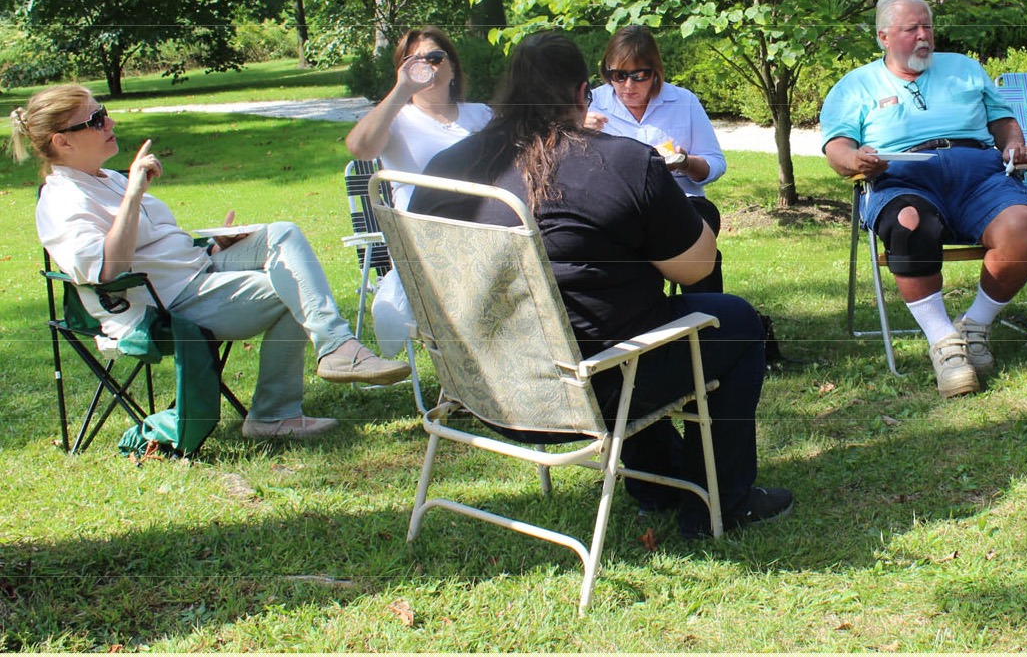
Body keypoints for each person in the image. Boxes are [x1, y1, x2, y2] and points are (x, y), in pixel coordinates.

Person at [410, 31, 793, 540]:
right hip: (585, 393)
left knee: (621, 322)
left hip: (482, 385)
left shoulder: (446, 169)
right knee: (736, 321)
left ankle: (659, 484)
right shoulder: (623, 162)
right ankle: (723, 503)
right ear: (582, 93)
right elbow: (696, 268)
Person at [14, 85, 412, 440]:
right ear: (62, 142)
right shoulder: (63, 200)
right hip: (161, 307)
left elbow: (156, 248)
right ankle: (279, 410)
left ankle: (334, 350)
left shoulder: (104, 179)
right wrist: (134, 192)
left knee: (284, 235)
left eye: (104, 113)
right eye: (96, 120)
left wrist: (213, 246)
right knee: (294, 288)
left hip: (198, 270)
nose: (110, 122)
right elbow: (106, 271)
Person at [819, 0, 1027, 398]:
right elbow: (837, 149)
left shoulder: (964, 68)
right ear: (883, 36)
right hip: (903, 175)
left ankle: (975, 326)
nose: (924, 36)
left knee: (1024, 223)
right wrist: (857, 160)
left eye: (928, 27)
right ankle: (944, 343)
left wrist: (1013, 143)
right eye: (912, 29)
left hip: (978, 172)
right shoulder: (855, 86)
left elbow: (1004, 120)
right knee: (909, 224)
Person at [345, 27, 492, 355]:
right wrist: (402, 89)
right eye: (414, 60)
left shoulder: (481, 115)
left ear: (452, 67)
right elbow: (359, 148)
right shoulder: (398, 121)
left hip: (486, 227)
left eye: (435, 58)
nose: (427, 65)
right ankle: (400, 291)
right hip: (427, 237)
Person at [584, 25, 728, 293]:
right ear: (607, 72)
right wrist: (578, 131)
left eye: (639, 76)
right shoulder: (591, 104)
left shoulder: (682, 101)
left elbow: (716, 163)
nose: (627, 86)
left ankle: (708, 325)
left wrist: (685, 161)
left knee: (696, 244)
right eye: (618, 75)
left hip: (681, 200)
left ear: (655, 73)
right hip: (618, 205)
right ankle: (641, 320)